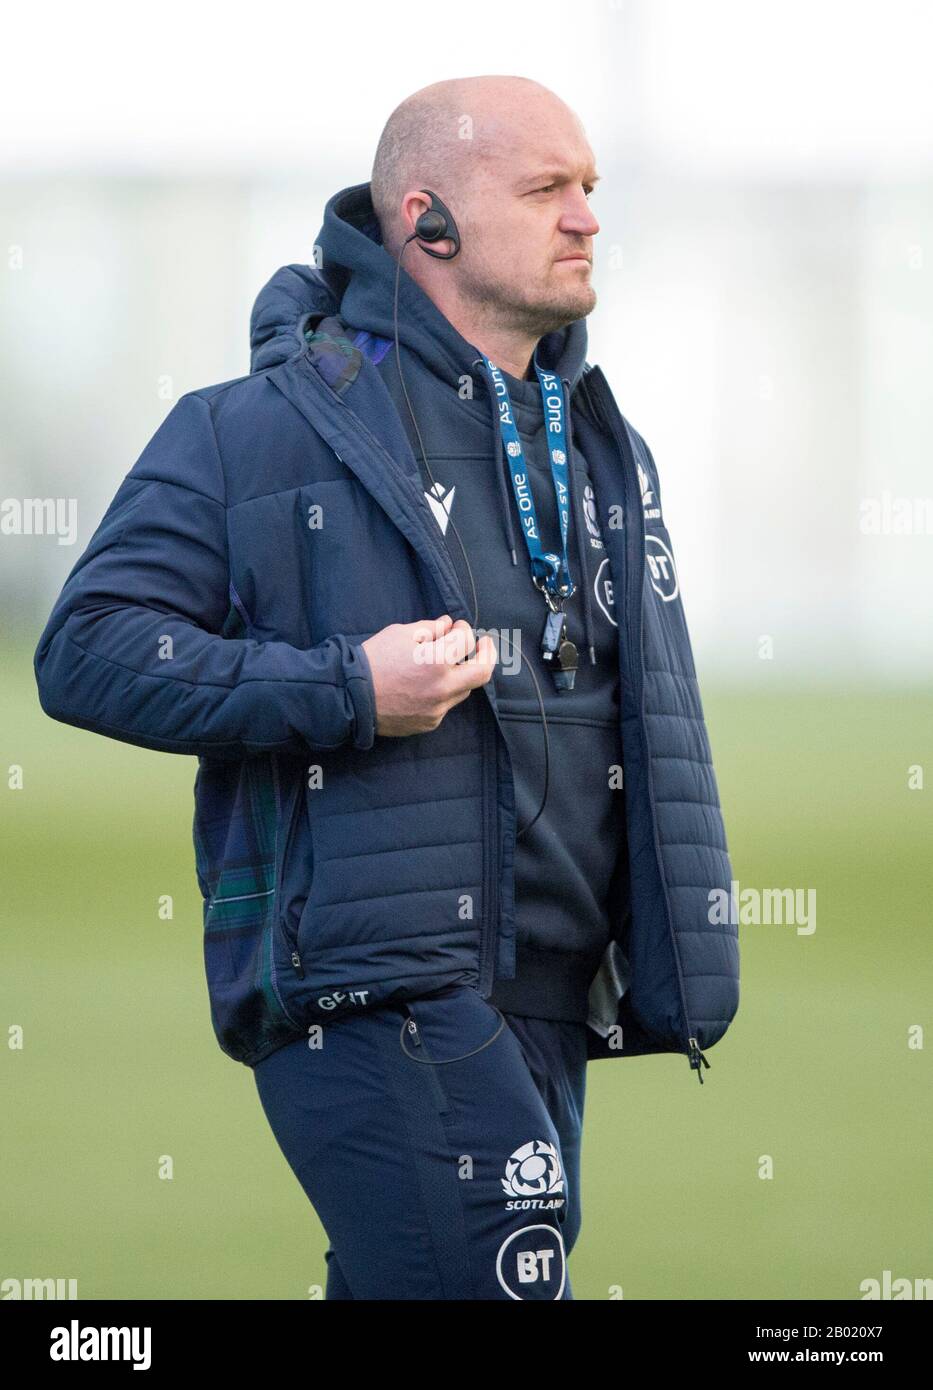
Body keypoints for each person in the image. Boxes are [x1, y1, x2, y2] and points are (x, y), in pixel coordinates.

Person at [33, 74, 739, 1300]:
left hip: (557, 995)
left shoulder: (602, 442)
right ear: (428, 219)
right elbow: (86, 647)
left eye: (590, 189)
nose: (586, 218)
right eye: (547, 190)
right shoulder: (253, 430)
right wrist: (345, 688)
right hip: (374, 987)